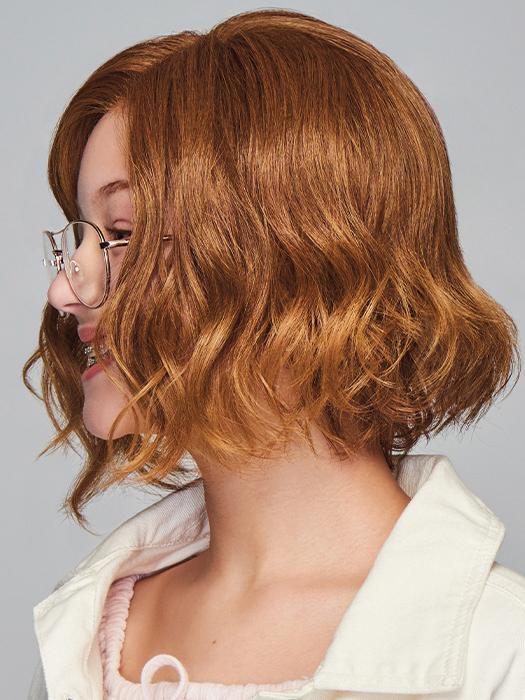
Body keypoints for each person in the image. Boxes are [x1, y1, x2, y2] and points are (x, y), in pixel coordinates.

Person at [25, 8, 524, 700]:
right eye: (78, 238)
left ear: (297, 251)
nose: (63, 291)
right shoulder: (86, 630)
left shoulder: (499, 653)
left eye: (123, 233)